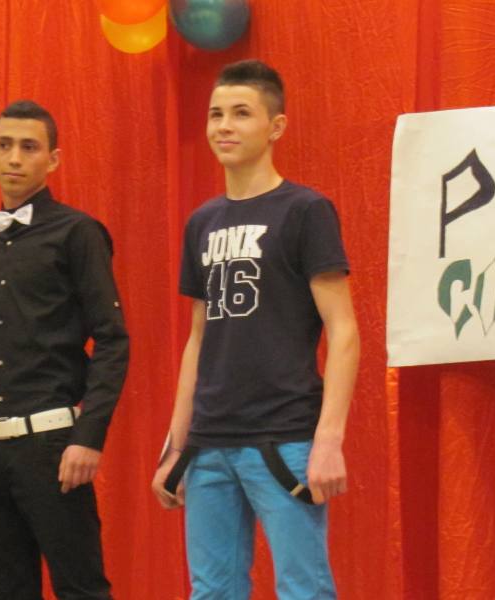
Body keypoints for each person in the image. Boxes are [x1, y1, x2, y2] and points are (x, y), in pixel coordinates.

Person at [151, 60, 360, 599]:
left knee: (303, 589)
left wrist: (328, 440)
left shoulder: (305, 211)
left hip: (284, 436)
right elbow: (199, 338)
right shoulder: (202, 222)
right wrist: (176, 443)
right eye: (216, 114)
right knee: (211, 591)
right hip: (209, 443)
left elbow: (343, 331)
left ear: (276, 126)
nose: (224, 125)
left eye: (241, 113)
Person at [0, 100, 129, 600]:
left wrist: (89, 436)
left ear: (53, 159)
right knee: (4, 590)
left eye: (29, 147)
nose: (15, 157)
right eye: (4, 145)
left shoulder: (77, 233)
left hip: (50, 443)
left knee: (80, 588)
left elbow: (112, 339)